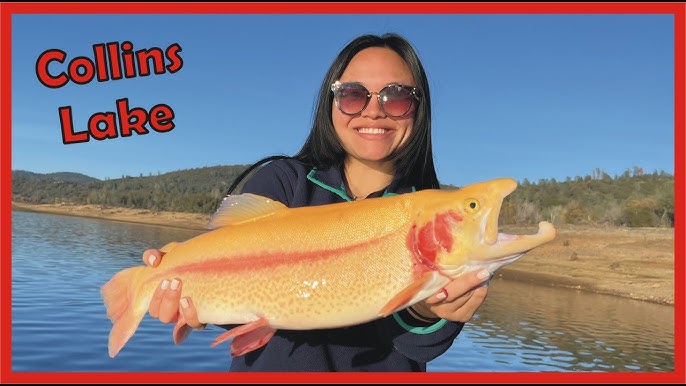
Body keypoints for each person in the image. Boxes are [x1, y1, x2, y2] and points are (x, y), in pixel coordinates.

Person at [142, 33, 491, 372]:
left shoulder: (433, 220)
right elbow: (240, 288)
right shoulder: (283, 180)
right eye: (353, 95)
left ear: (419, 107)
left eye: (396, 96)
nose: (373, 111)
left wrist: (430, 311)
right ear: (331, 102)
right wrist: (190, 299)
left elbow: (417, 347)